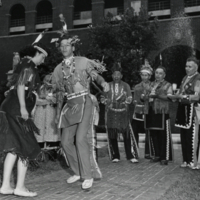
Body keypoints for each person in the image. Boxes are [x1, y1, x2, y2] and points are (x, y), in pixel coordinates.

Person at [52, 34, 109, 190]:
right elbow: (58, 95)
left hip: (85, 101)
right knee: (65, 142)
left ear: (73, 47)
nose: (64, 48)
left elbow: (94, 75)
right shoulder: (58, 69)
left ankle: (87, 175)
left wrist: (103, 83)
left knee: (81, 139)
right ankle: (77, 171)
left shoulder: (83, 61)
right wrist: (57, 114)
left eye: (67, 45)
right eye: (61, 45)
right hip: (70, 105)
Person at [0, 43, 48, 197]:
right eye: (43, 57)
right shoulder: (29, 65)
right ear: (37, 53)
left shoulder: (23, 63)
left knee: (14, 148)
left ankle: (6, 186)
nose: (43, 61)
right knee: (27, 147)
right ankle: (20, 187)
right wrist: (23, 107)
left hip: (9, 108)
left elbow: (22, 88)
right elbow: (21, 85)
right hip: (16, 111)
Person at [101, 63, 139, 163]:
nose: (116, 76)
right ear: (112, 75)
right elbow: (102, 98)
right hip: (112, 113)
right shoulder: (107, 85)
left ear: (121, 76)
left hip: (123, 113)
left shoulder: (126, 85)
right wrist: (107, 102)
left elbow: (130, 98)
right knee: (112, 135)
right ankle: (115, 156)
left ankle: (130, 155)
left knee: (126, 135)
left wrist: (124, 101)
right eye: (114, 74)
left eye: (118, 75)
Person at [171, 57, 200, 169]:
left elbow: (197, 96)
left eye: (190, 66)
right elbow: (180, 91)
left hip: (193, 111)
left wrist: (183, 96)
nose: (187, 68)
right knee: (183, 135)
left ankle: (193, 161)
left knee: (192, 136)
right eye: (186, 66)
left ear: (196, 67)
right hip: (183, 110)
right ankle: (186, 160)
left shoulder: (198, 78)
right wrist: (174, 96)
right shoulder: (185, 78)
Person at [143, 66, 173, 165]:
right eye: (156, 73)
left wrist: (157, 96)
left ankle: (164, 157)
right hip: (151, 112)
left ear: (164, 75)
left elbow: (170, 97)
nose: (158, 75)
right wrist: (144, 97)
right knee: (153, 134)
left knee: (163, 135)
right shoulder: (150, 84)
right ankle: (157, 155)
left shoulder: (168, 85)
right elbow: (145, 95)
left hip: (162, 112)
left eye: (160, 73)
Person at [34, 74, 61, 150]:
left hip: (51, 112)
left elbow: (57, 100)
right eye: (47, 80)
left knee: (51, 129)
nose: (49, 82)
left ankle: (52, 150)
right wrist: (48, 100)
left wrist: (45, 99)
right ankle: (40, 150)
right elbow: (36, 101)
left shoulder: (56, 89)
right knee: (39, 129)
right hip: (40, 112)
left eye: (51, 81)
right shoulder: (39, 88)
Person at [132, 61, 153, 159]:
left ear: (149, 76)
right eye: (143, 75)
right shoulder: (137, 87)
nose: (144, 77)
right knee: (135, 132)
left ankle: (148, 153)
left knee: (149, 133)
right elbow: (135, 100)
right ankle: (135, 152)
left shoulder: (153, 86)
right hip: (138, 112)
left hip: (149, 112)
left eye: (146, 75)